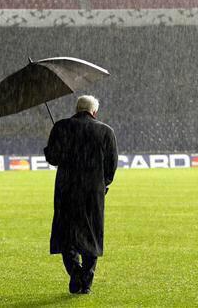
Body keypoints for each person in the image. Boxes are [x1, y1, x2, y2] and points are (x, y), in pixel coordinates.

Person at [44, 95, 118, 294]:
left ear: (77, 109)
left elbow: (53, 158)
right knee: (92, 236)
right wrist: (103, 185)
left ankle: (76, 276)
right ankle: (85, 280)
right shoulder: (106, 131)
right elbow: (111, 167)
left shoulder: (61, 127)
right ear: (94, 112)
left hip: (66, 190)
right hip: (92, 192)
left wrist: (52, 145)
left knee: (68, 236)